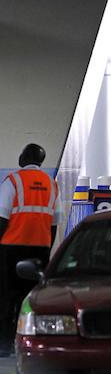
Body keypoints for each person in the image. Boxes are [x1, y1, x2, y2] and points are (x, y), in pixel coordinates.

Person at [0, 144, 61, 356]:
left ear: (24, 157)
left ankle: (4, 345)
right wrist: (47, 249)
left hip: (11, 248)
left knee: (7, 297)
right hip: (39, 251)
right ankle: (30, 346)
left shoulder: (13, 182)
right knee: (33, 300)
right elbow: (54, 223)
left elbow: (2, 218)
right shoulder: (52, 185)